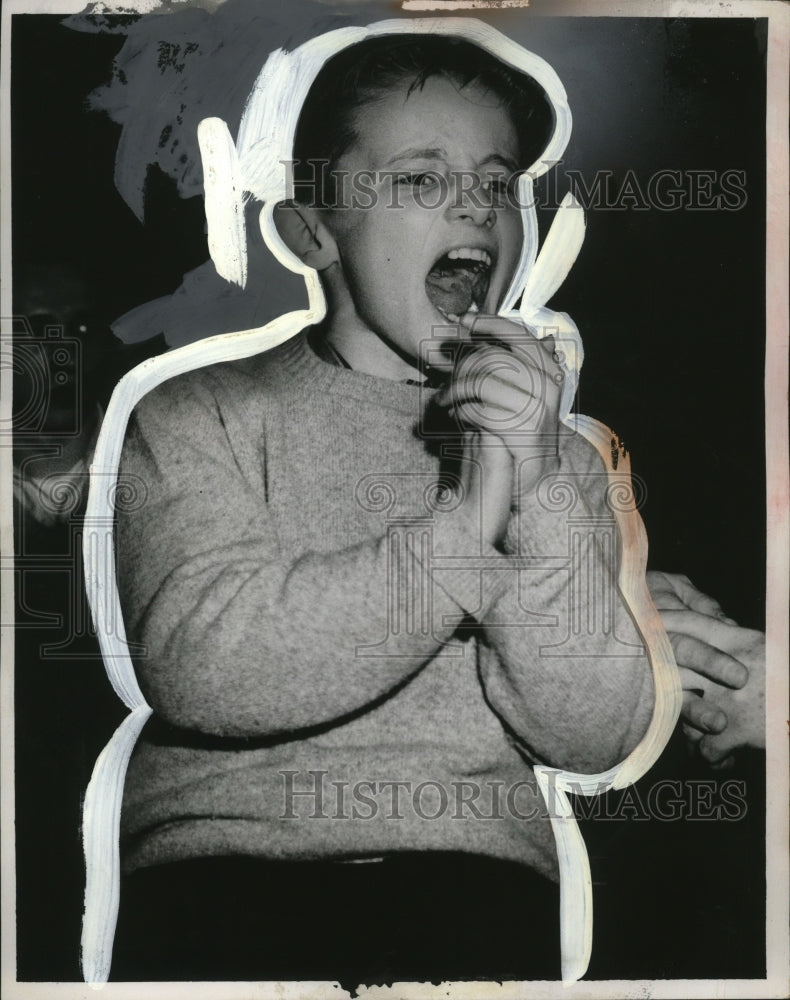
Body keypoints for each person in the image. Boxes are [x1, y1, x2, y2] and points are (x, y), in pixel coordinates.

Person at [107, 24, 764, 984]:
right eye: (420, 180)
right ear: (311, 232)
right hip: (221, 880)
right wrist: (466, 531)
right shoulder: (199, 415)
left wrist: (531, 485)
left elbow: (589, 728)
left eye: (498, 184)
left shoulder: (561, 464)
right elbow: (208, 667)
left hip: (479, 888)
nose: (476, 209)